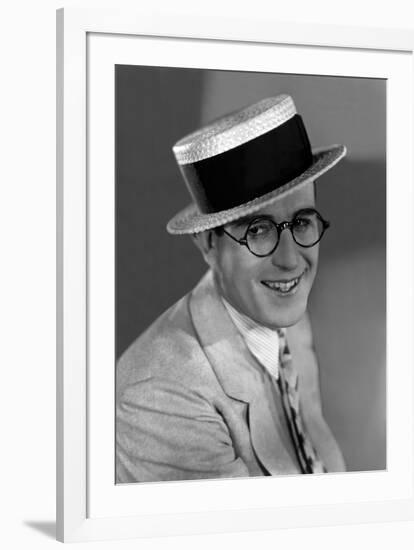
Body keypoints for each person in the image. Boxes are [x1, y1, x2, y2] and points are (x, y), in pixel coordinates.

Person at [116, 94, 347, 482]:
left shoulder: (285, 316)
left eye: (303, 222)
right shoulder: (159, 398)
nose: (291, 260)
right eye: (258, 231)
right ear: (208, 243)